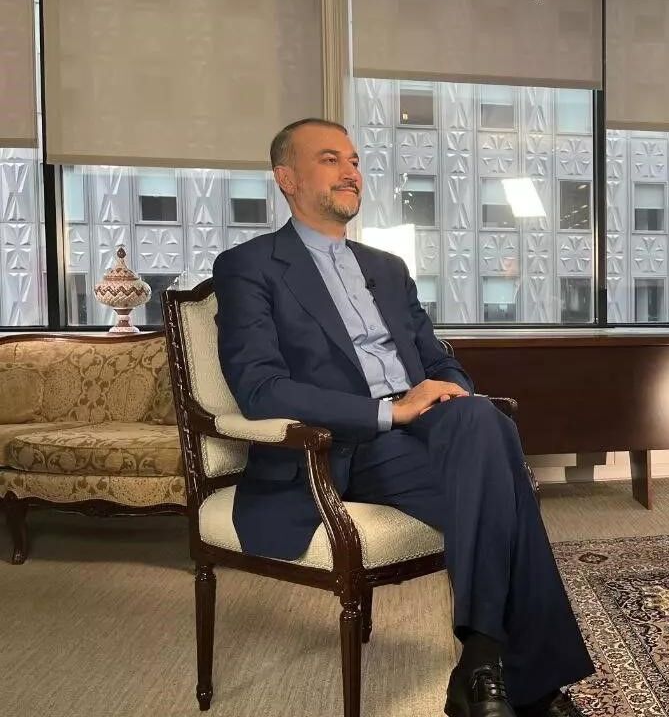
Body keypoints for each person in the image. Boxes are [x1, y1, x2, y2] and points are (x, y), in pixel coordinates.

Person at [211, 118, 593, 717]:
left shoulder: (387, 268)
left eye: (354, 160)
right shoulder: (249, 266)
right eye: (330, 160)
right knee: (507, 495)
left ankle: (480, 663)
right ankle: (528, 687)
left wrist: (452, 393)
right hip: (336, 444)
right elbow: (259, 389)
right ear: (287, 178)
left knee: (481, 420)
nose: (351, 172)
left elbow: (438, 358)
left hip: (423, 430)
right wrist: (387, 411)